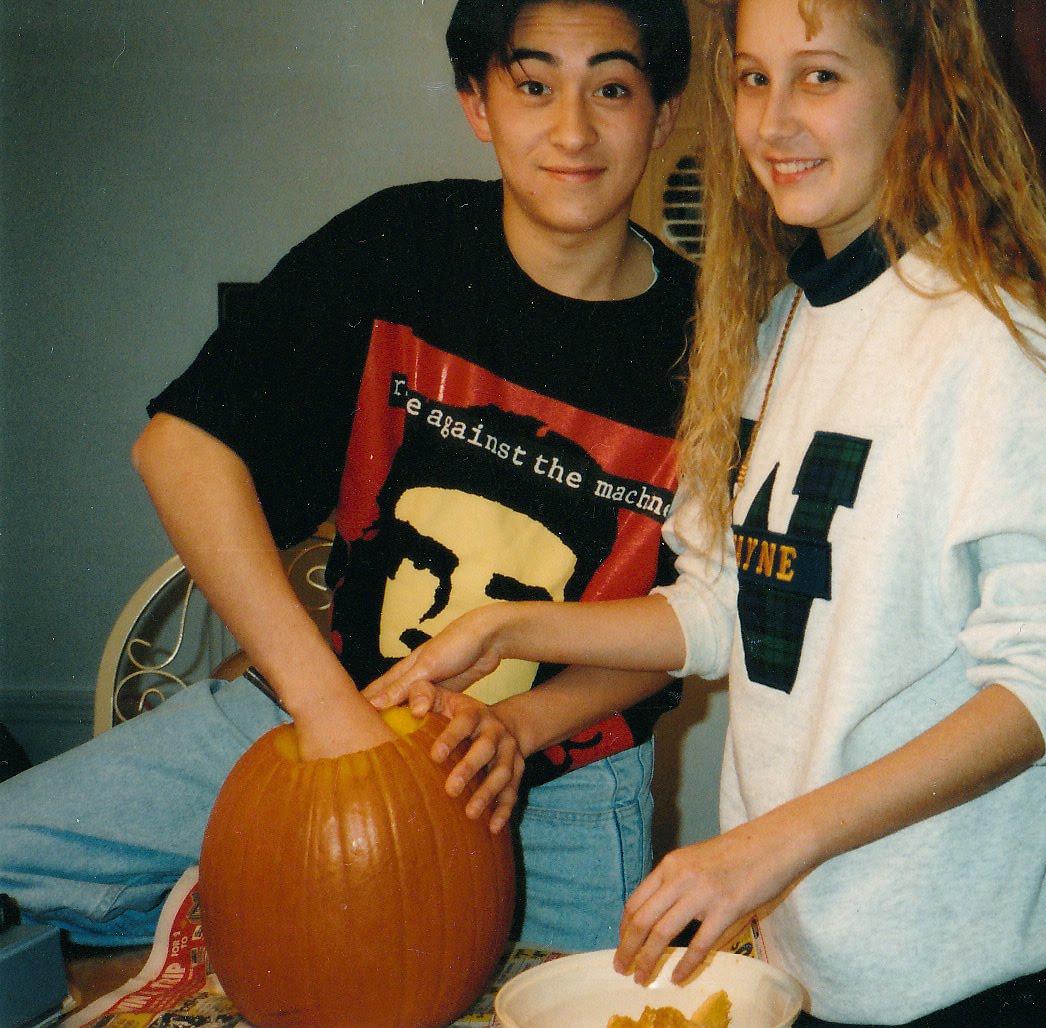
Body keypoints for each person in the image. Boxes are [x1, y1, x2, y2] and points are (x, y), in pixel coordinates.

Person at [366, 0, 1046, 1023]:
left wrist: (771, 843)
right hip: (816, 950)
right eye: (753, 79)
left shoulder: (991, 345)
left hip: (953, 974)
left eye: (819, 77)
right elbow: (721, 605)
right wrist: (506, 629)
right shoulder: (783, 330)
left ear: (917, 92)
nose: (771, 121)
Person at [0, 0, 696, 955]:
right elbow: (179, 449)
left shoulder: (714, 341)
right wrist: (326, 708)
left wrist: (522, 725)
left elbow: (688, 620)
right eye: (534, 86)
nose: (572, 130)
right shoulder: (399, 244)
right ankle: (224, 910)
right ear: (478, 104)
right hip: (315, 713)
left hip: (554, 776)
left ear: (661, 116)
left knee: (554, 1004)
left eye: (611, 90)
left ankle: (243, 913)